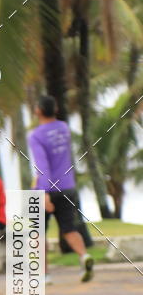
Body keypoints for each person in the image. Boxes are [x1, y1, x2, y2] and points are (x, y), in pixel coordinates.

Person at [28, 95, 94, 282]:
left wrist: (44, 194)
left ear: (37, 111)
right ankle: (84, 256)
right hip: (68, 187)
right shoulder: (64, 129)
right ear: (55, 109)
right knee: (69, 229)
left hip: (47, 189)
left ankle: (45, 274)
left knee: (38, 232)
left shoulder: (36, 136)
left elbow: (43, 166)